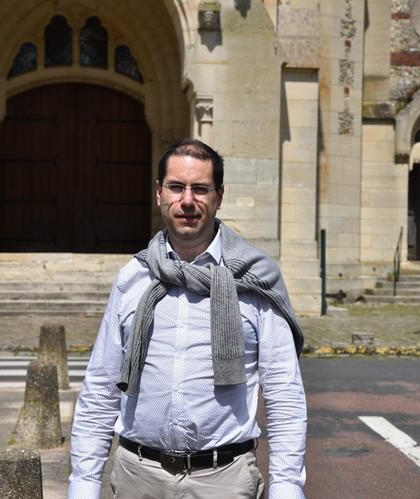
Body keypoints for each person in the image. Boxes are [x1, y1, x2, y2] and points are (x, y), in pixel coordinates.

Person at [68, 138, 307, 499]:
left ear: (219, 196)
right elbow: (101, 387)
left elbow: (284, 393)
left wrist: (287, 486)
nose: (188, 201)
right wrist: (84, 484)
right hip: (138, 478)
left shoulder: (255, 279)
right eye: (177, 187)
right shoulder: (133, 277)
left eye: (200, 189)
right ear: (159, 194)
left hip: (224, 479)